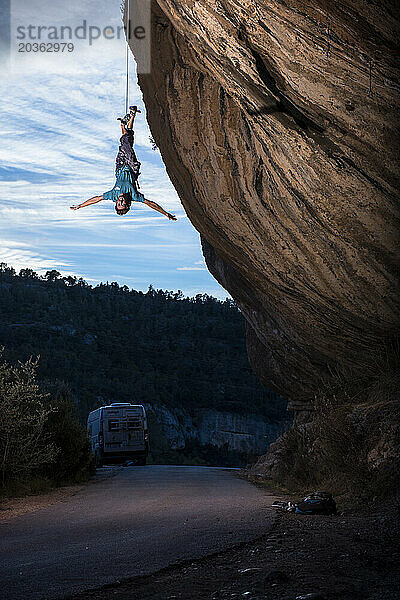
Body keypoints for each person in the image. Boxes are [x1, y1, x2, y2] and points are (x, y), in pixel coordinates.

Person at [70, 107, 177, 220]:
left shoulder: (113, 195)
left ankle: (129, 119)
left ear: (115, 203)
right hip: (131, 166)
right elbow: (150, 203)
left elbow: (96, 199)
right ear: (127, 204)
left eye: (118, 204)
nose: (120, 202)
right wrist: (165, 214)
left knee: (127, 142)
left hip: (120, 165)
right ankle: (125, 122)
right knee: (126, 143)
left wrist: (80, 206)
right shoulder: (134, 196)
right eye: (123, 204)